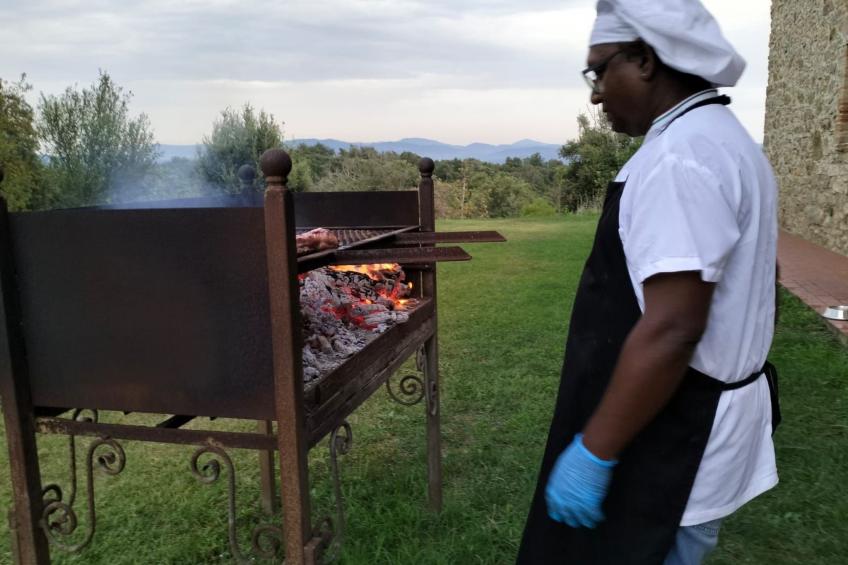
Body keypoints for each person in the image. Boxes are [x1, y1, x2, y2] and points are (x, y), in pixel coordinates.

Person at [516, 1, 780, 564]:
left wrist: (595, 450)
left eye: (598, 71)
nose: (593, 94)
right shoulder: (723, 139)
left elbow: (674, 326)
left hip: (673, 435)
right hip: (693, 424)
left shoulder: (681, 158)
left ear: (642, 60)